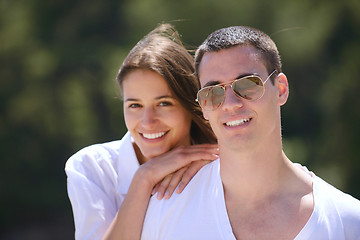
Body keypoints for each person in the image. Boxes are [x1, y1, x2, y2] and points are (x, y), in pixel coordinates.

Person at [141, 26, 360, 239]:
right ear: (203, 107)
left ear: (281, 90)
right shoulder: (165, 212)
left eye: (247, 85)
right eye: (213, 92)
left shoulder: (347, 222)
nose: (230, 104)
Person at [65, 23, 218, 240]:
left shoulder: (220, 165)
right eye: (135, 105)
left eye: (164, 103)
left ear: (190, 104)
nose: (148, 122)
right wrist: (143, 178)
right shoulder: (92, 167)